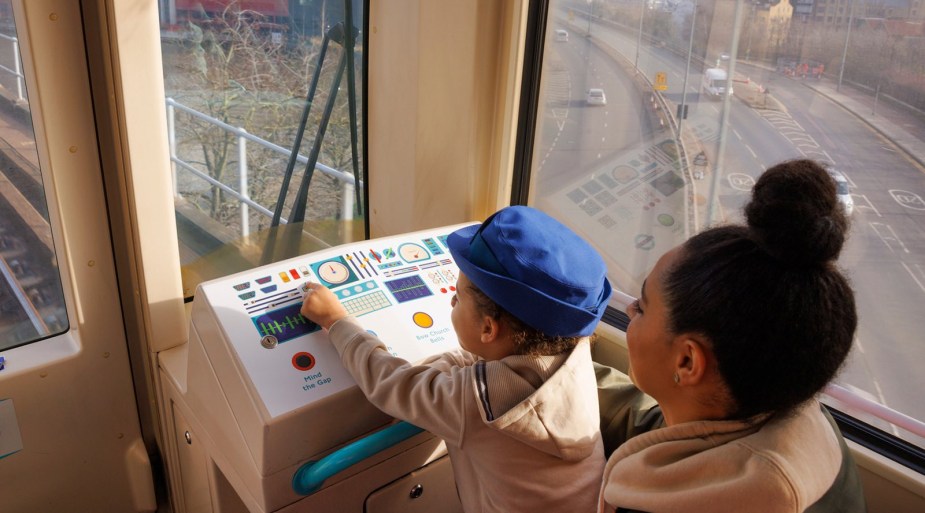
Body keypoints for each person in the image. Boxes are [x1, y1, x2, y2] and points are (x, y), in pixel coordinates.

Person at [301, 206, 613, 513]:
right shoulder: (573, 352)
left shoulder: (480, 403)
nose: (451, 299)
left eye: (458, 295)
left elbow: (390, 384)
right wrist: (445, 369)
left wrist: (337, 320)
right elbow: (475, 362)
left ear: (488, 328)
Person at [596, 159, 866, 513]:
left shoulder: (674, 504)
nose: (629, 311)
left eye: (642, 309)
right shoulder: (799, 418)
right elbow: (662, 427)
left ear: (688, 361)